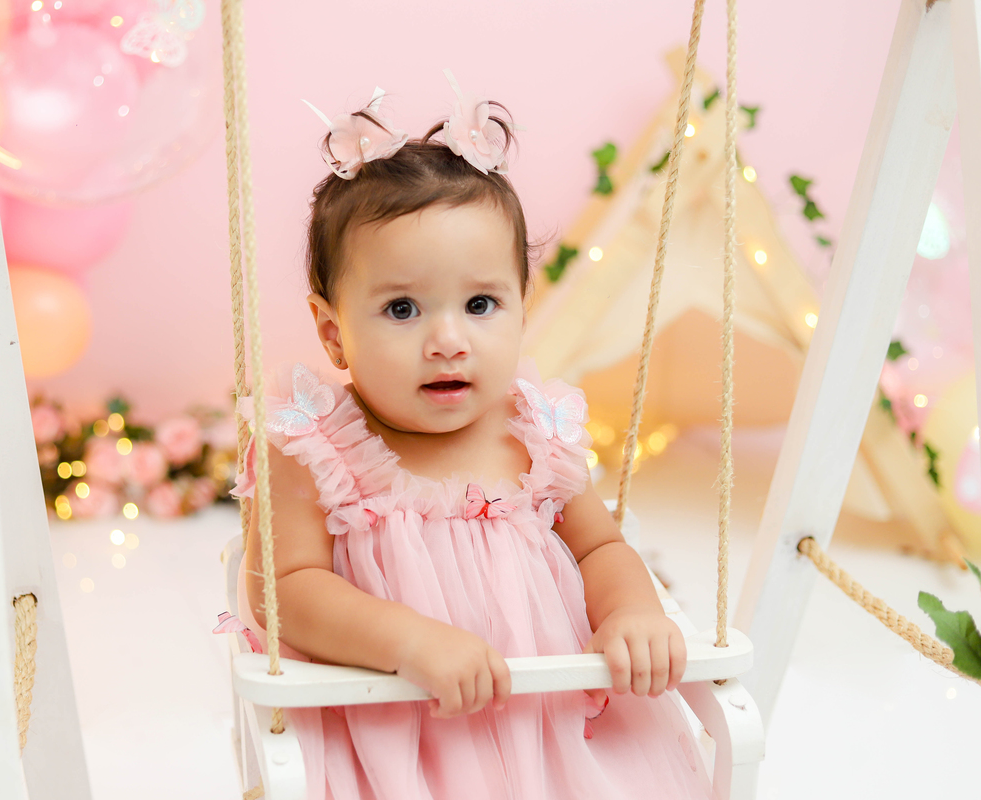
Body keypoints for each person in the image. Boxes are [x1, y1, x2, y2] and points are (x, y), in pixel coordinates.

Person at [226, 73, 711, 799]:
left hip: (552, 726)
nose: (449, 340)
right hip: (395, 735)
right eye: (402, 309)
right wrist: (409, 641)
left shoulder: (534, 435)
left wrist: (631, 612)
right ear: (333, 331)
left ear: (522, 306)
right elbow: (284, 591)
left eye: (481, 304)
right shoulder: (314, 447)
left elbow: (600, 547)